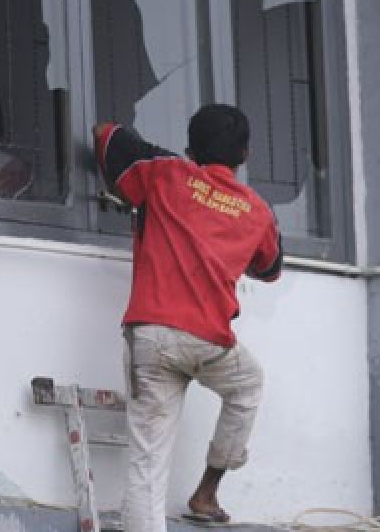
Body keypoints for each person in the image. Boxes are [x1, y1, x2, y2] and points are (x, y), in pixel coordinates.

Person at [94, 104, 283, 532]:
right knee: (248, 384)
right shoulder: (257, 211)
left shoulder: (164, 173)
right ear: (246, 154)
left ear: (190, 145)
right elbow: (270, 268)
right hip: (209, 342)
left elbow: (106, 134)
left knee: (147, 466)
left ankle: (204, 495)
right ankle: (208, 490)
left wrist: (165, 165)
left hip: (153, 336)